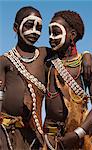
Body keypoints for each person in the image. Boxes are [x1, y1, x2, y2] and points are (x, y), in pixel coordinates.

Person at [44, 10, 92, 150]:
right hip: (48, 138)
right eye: (49, 33)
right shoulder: (48, 62)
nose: (51, 37)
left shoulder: (84, 65)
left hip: (77, 140)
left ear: (72, 35)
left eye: (56, 33)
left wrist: (77, 134)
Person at [0, 6, 50, 150]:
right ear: (16, 28)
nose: (34, 32)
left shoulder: (44, 55)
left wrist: (86, 56)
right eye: (29, 26)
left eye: (38, 27)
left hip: (34, 135)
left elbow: (67, 55)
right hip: (6, 134)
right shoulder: (4, 61)